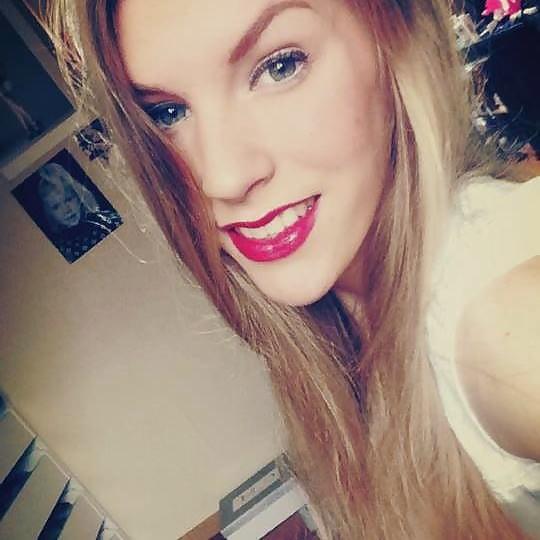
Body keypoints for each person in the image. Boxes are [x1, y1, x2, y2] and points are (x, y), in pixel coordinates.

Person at [47, 0, 539, 537]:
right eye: (167, 113)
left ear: (398, 42)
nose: (222, 177)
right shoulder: (338, 336)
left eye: (280, 66)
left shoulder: (505, 321)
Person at [37, 162, 121, 262]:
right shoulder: (61, 250)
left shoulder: (107, 220)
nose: (66, 209)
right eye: (56, 207)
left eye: (68, 199)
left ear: (78, 196)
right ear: (49, 213)